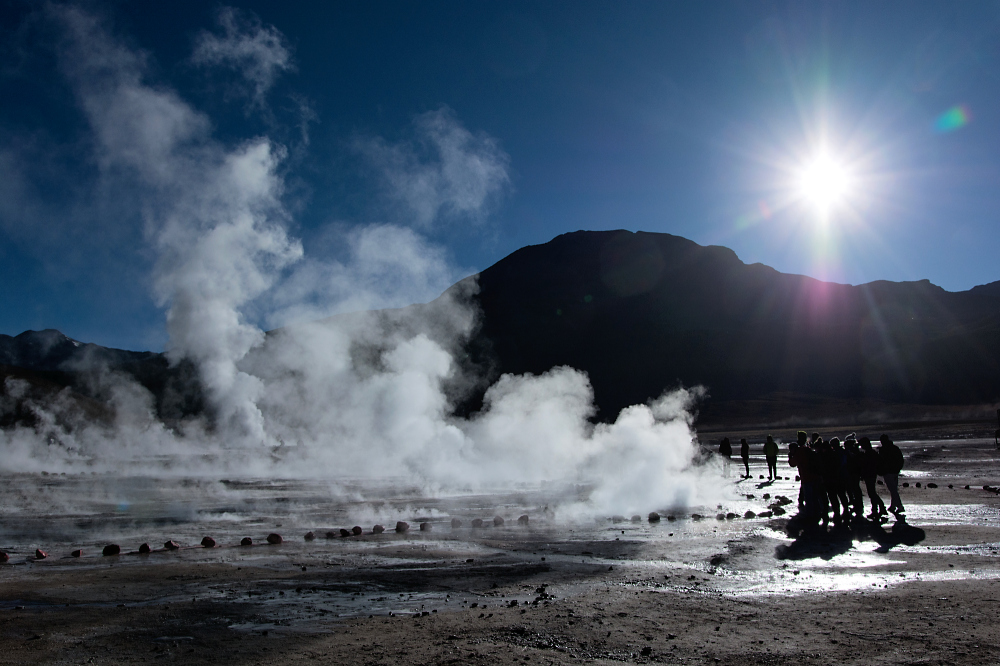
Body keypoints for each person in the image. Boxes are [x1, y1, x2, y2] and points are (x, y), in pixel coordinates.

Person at [858, 437, 886, 519]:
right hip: (871, 475)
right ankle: (879, 508)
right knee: (872, 493)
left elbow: (867, 465)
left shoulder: (869, 453)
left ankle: (877, 509)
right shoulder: (871, 452)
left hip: (870, 475)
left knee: (872, 493)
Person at [878, 434, 905, 515]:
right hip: (895, 471)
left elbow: (881, 461)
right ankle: (893, 506)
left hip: (888, 472)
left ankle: (900, 506)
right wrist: (898, 469)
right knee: (894, 489)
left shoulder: (883, 450)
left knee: (893, 490)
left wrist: (881, 470)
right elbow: (901, 459)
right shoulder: (895, 448)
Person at [843, 434, 864, 518]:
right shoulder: (856, 452)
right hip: (854, 473)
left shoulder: (852, 453)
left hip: (853, 473)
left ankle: (858, 506)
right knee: (854, 490)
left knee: (855, 490)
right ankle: (857, 505)